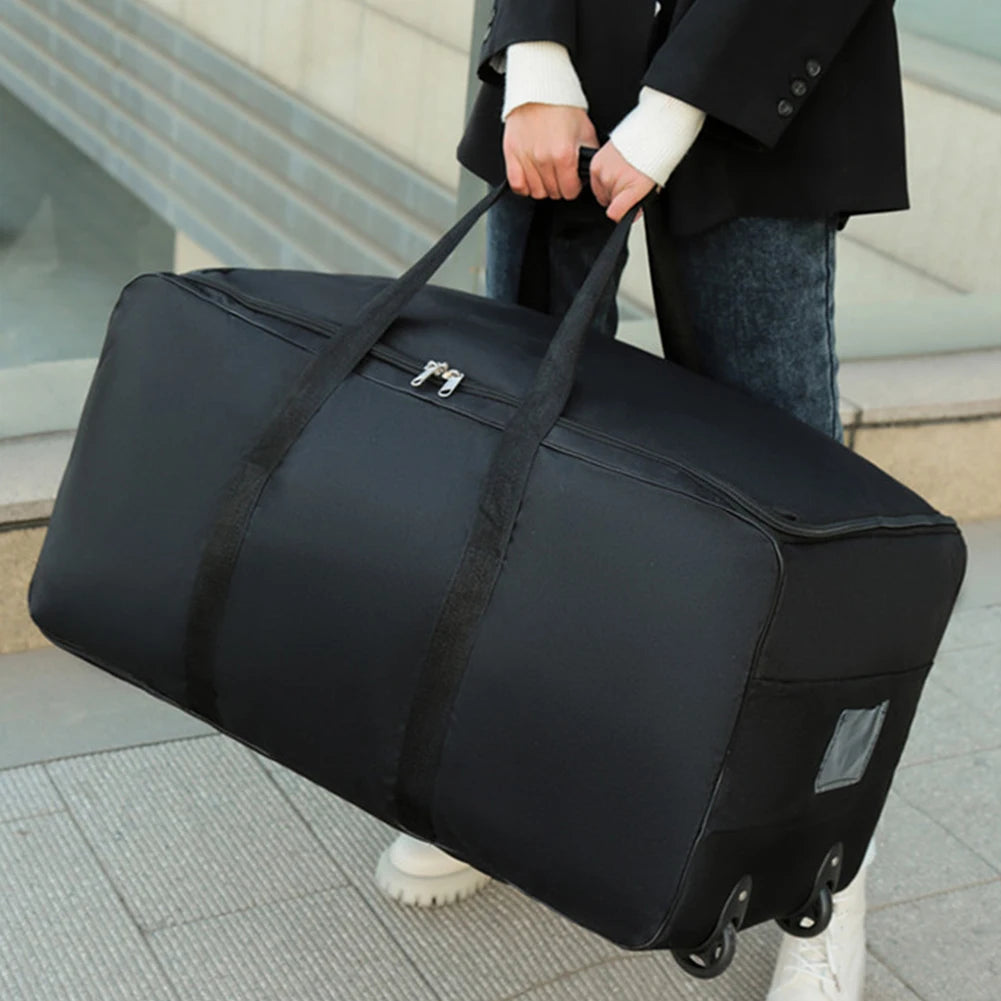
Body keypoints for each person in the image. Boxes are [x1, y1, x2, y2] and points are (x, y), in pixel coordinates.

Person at [375, 2, 909, 998]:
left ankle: (825, 872)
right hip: (563, 92)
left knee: (791, 523)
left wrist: (669, 113)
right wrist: (534, 58)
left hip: (761, 81)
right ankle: (493, 787)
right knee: (521, 469)